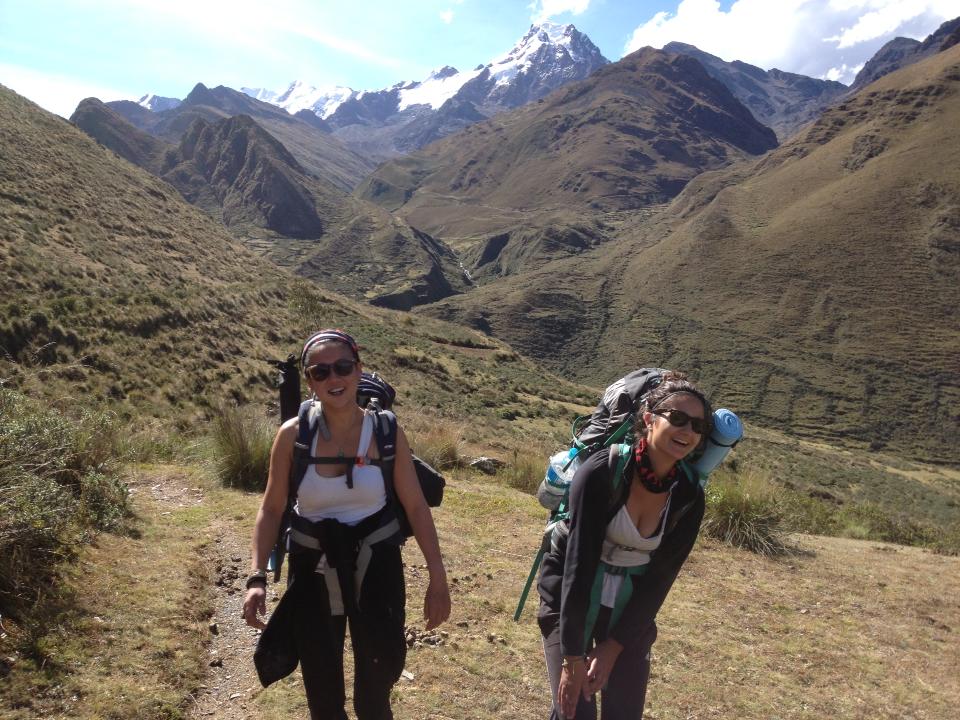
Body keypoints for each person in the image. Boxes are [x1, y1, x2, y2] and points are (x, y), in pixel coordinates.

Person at [242, 329, 451, 720]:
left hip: (377, 567)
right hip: (312, 569)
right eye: (321, 372)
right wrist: (256, 578)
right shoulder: (293, 437)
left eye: (342, 367)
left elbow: (417, 507)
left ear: (359, 369)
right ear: (309, 381)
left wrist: (438, 579)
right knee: (322, 690)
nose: (333, 379)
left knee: (376, 683)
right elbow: (271, 510)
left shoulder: (387, 433)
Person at [537, 371, 713, 720]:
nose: (688, 432)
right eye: (677, 418)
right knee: (574, 710)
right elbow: (578, 565)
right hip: (570, 594)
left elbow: (660, 579)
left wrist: (614, 646)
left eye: (698, 426)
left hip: (631, 602)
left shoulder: (688, 495)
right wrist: (573, 658)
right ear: (648, 418)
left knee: (623, 712)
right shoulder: (602, 472)